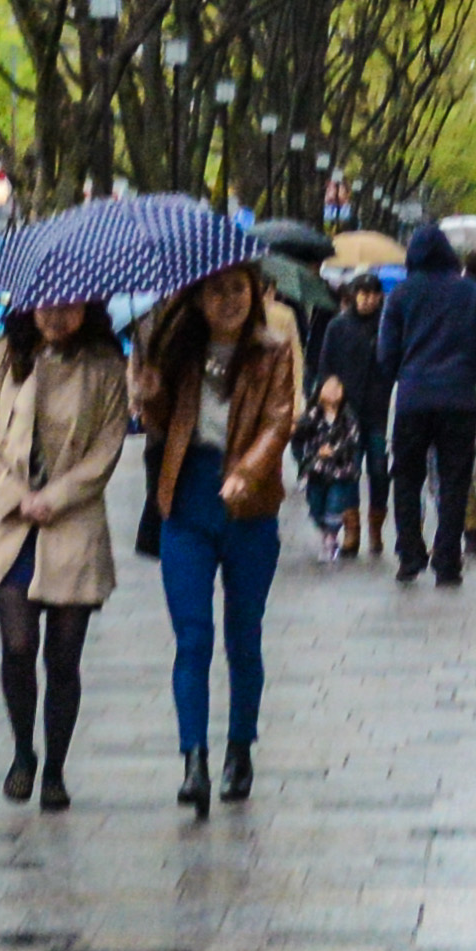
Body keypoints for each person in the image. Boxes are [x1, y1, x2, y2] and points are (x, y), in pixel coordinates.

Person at [136, 256, 307, 814]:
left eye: (237, 289)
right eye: (214, 291)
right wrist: (150, 391)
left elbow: (280, 419)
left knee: (243, 635)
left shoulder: (272, 350)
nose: (227, 300)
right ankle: (194, 760)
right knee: (192, 637)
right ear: (196, 299)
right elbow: (162, 424)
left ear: (255, 294)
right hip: (186, 503)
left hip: (250, 507)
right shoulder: (175, 352)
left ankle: (240, 747)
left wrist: (247, 473)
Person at [0, 290, 131, 808]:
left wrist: (55, 498)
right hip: (12, 524)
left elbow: (107, 448)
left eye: (69, 306)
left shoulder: (105, 367)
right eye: (46, 305)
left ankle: (56, 767)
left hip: (72, 524)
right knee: (18, 647)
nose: (56, 316)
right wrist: (12, 495)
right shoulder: (4, 358)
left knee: (63, 658)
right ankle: (23, 751)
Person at [376, 228, 476, 583]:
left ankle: (410, 554)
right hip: (459, 398)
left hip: (413, 398)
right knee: (455, 480)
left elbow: (386, 355)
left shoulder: (400, 296)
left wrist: (402, 376)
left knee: (407, 478)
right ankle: (447, 558)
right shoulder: (472, 293)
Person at [306, 267, 394, 559]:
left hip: (379, 411)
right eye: (363, 293)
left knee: (380, 470)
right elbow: (325, 367)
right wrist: (326, 402)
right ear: (353, 295)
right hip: (348, 413)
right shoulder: (339, 326)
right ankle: (352, 530)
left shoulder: (387, 325)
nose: (368, 300)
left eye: (373, 294)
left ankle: (376, 527)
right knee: (348, 472)